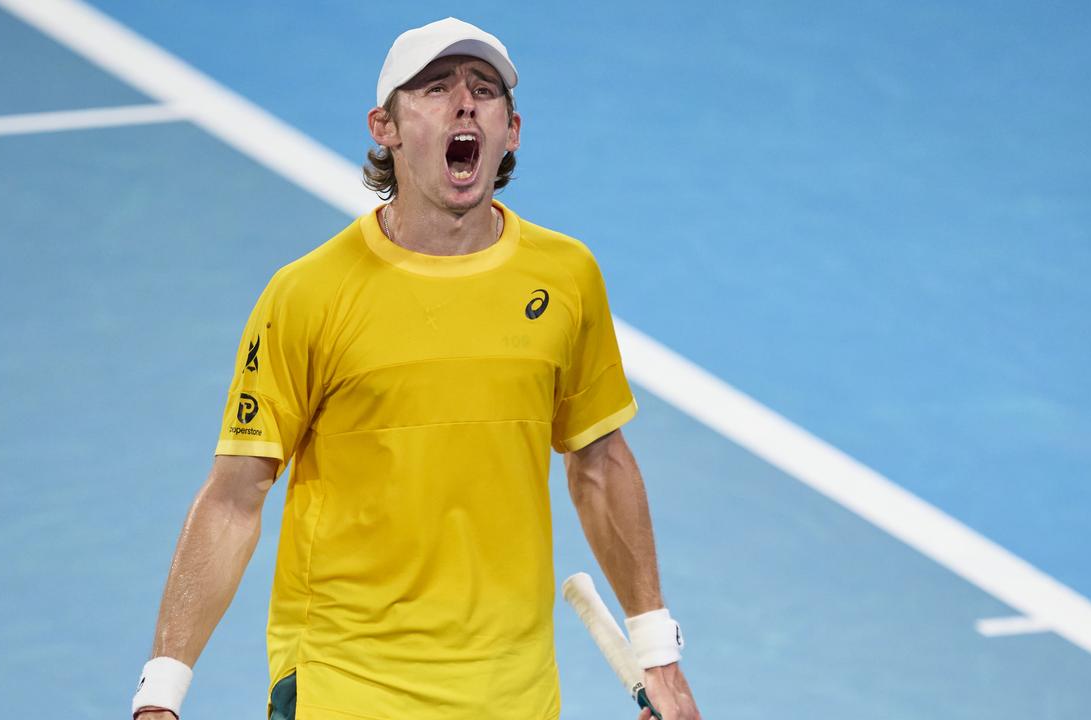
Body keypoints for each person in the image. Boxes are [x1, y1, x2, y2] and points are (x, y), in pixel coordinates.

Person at [131, 17, 701, 720]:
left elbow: (600, 463)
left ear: (512, 130)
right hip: (347, 685)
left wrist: (658, 651)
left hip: (512, 694)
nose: (465, 103)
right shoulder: (308, 294)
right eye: (436, 88)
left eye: (484, 91)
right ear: (385, 128)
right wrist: (161, 692)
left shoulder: (567, 278)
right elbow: (232, 498)